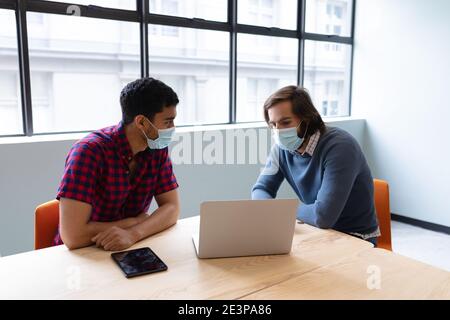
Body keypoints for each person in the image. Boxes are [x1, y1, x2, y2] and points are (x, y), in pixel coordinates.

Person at [54, 77, 180, 251]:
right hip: (82, 253)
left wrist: (134, 233)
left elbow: (172, 208)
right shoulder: (89, 152)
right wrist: (135, 222)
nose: (173, 127)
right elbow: (73, 236)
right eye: (167, 121)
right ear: (142, 122)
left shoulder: (156, 148)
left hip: (129, 248)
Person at [252, 85, 380, 246]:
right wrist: (273, 208)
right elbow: (261, 189)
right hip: (315, 232)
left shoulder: (340, 146)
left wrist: (280, 210)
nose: (278, 131)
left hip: (355, 237)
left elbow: (323, 216)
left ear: (306, 119)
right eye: (273, 125)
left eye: (285, 122)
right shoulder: (281, 148)